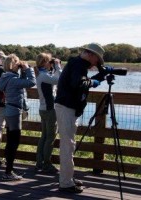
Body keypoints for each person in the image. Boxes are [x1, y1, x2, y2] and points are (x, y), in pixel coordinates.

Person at [54, 43, 105, 193]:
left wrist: (99, 76)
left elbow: (79, 83)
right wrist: (95, 81)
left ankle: (68, 177)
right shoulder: (78, 64)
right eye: (98, 61)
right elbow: (80, 83)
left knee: (69, 145)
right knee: (67, 146)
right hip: (66, 108)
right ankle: (65, 182)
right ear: (91, 55)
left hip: (68, 109)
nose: (96, 64)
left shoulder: (77, 64)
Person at [0, 54, 36, 181]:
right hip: (14, 112)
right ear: (13, 65)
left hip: (10, 110)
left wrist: (23, 71)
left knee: (11, 141)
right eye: (17, 63)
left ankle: (9, 169)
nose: (20, 64)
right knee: (14, 141)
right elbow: (31, 82)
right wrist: (28, 69)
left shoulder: (7, 77)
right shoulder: (13, 79)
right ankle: (8, 172)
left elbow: (24, 83)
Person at [34, 53, 62, 174]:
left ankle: (39, 162)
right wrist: (57, 66)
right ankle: (47, 164)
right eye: (49, 61)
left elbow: (54, 80)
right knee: (50, 138)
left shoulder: (41, 74)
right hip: (50, 110)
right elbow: (60, 80)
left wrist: (54, 67)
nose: (51, 63)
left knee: (44, 136)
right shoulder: (44, 76)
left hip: (43, 109)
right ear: (45, 62)